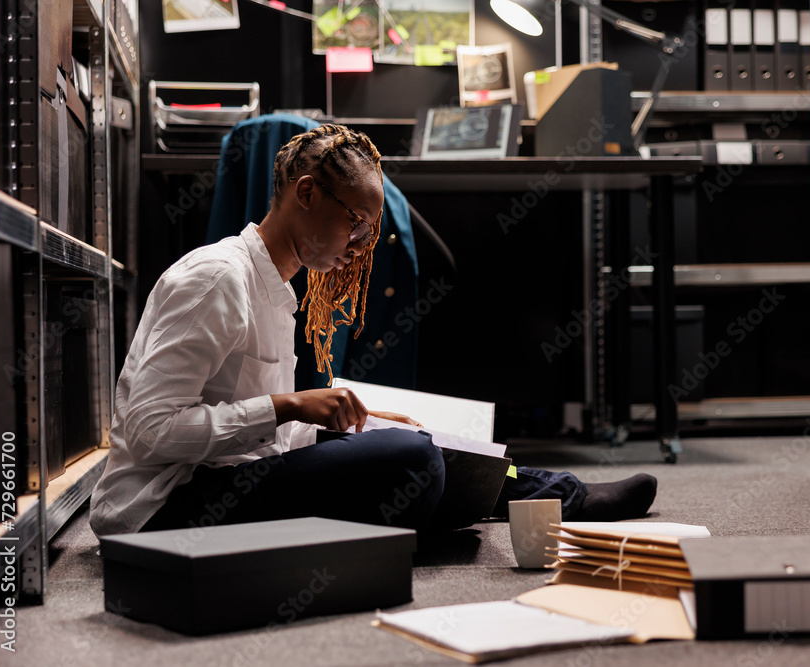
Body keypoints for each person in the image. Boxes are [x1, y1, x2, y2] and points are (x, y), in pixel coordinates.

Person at [89, 124, 656, 537]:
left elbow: (266, 437)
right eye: (355, 222)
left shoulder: (277, 288)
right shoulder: (217, 278)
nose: (361, 245)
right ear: (305, 194)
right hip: (164, 505)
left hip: (233, 470)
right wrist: (290, 404)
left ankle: (558, 496)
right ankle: (482, 499)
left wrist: (360, 424)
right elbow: (149, 431)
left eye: (369, 229)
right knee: (410, 462)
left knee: (421, 443)